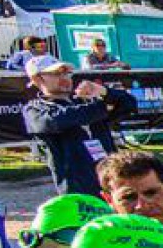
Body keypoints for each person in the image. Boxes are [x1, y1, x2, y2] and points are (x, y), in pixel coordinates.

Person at [21, 55, 134, 196]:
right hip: (77, 187)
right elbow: (55, 121)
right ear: (37, 79)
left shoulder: (85, 100)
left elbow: (129, 104)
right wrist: (102, 108)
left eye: (66, 73)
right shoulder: (35, 109)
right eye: (56, 74)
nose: (64, 78)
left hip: (113, 179)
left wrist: (103, 91)